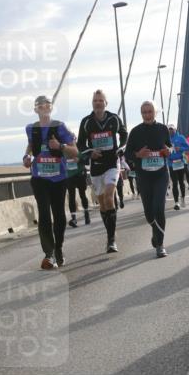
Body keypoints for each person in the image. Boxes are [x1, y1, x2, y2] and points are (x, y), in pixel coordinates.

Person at [23, 96, 78, 269]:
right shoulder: (31, 128)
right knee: (44, 213)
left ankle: (58, 248)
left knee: (59, 216)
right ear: (36, 110)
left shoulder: (60, 127)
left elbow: (75, 152)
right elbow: (31, 146)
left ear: (51, 107)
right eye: (40, 105)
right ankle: (49, 253)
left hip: (58, 178)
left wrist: (60, 146)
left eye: (47, 104)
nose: (44, 107)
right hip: (39, 178)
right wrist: (27, 157)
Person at [77, 90, 127, 254]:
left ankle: (112, 240)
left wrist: (120, 149)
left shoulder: (114, 118)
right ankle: (109, 233)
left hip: (112, 163)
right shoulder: (86, 122)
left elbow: (124, 134)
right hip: (96, 166)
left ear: (106, 103)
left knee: (108, 196)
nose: (98, 103)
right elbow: (80, 145)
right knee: (102, 204)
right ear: (92, 103)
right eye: (95, 100)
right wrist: (90, 152)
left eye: (101, 100)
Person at [124, 101, 171, 257]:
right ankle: (155, 230)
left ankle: (160, 244)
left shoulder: (163, 129)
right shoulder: (135, 131)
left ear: (155, 112)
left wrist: (167, 151)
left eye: (150, 111)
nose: (147, 115)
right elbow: (127, 154)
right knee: (149, 213)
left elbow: (169, 147)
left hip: (161, 174)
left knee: (159, 208)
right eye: (144, 112)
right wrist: (138, 154)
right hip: (143, 176)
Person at [65, 148, 90, 227]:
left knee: (82, 194)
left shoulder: (79, 148)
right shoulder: (62, 151)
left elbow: (87, 160)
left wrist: (79, 160)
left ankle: (86, 213)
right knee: (71, 196)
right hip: (69, 176)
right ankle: (73, 219)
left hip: (80, 174)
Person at [167, 123, 189, 209]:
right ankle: (176, 202)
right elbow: (162, 151)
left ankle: (182, 198)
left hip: (180, 162)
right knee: (174, 183)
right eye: (169, 129)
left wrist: (180, 149)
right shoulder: (166, 139)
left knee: (181, 182)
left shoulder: (181, 137)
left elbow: (188, 148)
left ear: (175, 129)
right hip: (171, 163)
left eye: (172, 129)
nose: (170, 131)